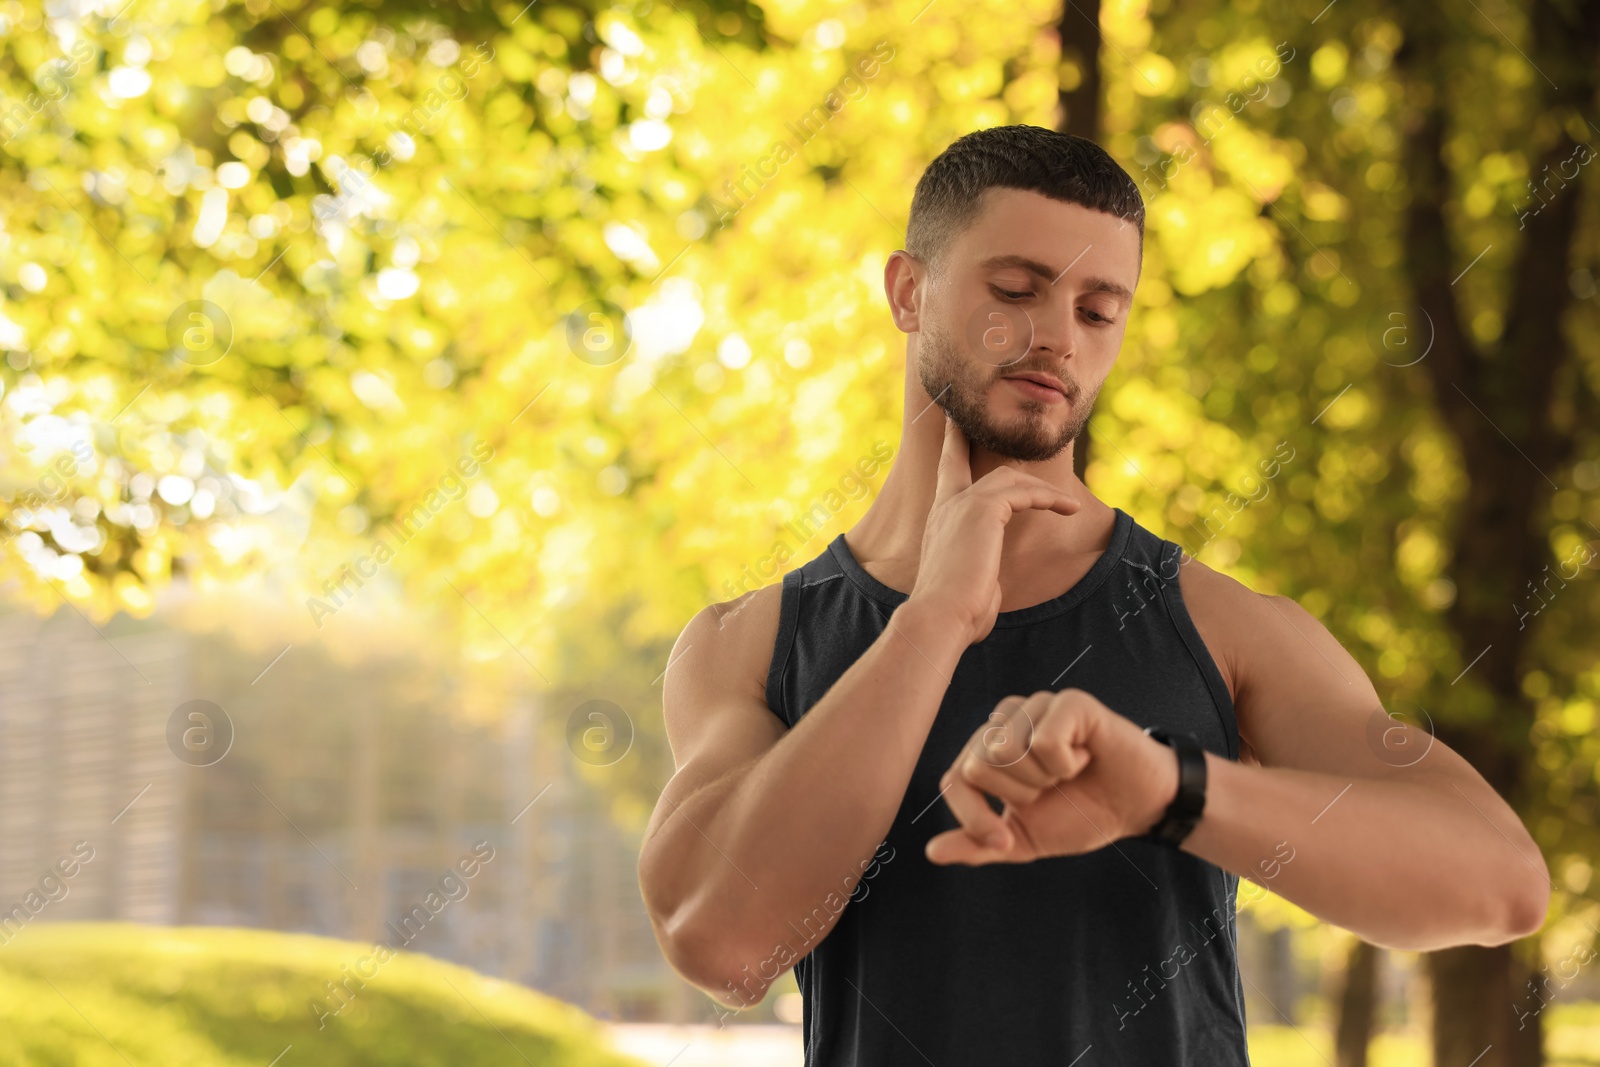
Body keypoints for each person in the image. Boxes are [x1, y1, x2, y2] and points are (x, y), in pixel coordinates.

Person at [637, 124, 1548, 1065]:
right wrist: (935, 621)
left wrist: (1172, 789)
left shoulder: (1220, 625)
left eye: (1100, 308)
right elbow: (724, 944)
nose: (1058, 336)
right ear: (909, 292)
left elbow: (1502, 885)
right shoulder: (749, 643)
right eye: (1016, 291)